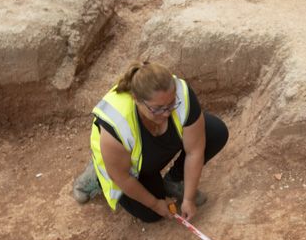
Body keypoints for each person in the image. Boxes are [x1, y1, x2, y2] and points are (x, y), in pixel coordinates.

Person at [72, 60, 228, 222]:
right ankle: (96, 174)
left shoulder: (181, 94)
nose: (167, 113)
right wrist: (155, 204)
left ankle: (173, 181)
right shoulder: (118, 123)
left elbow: (194, 151)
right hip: (125, 166)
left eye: (171, 104)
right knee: (151, 214)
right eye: (158, 108)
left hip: (150, 152)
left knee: (215, 132)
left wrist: (188, 199)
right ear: (136, 100)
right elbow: (122, 178)